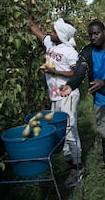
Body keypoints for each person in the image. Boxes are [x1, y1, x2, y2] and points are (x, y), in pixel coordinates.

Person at [59, 20, 105, 170]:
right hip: (103, 100)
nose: (93, 37)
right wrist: (70, 85)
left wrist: (104, 82)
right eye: (90, 35)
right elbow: (80, 72)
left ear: (104, 32)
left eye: (96, 33)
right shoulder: (86, 53)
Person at [29, 17, 85, 187]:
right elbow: (37, 31)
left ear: (60, 35)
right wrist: (26, 15)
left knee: (70, 129)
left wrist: (55, 71)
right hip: (55, 95)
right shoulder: (50, 43)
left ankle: (78, 167)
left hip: (67, 95)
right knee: (60, 131)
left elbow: (76, 74)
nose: (50, 33)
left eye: (53, 31)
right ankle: (69, 163)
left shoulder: (70, 52)